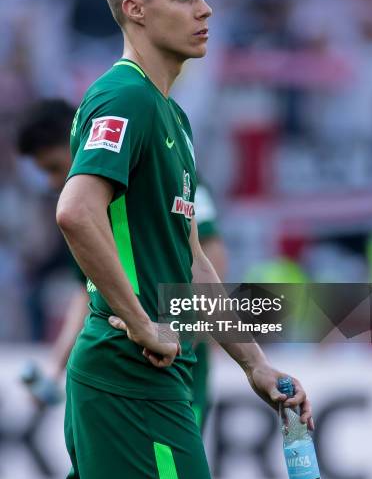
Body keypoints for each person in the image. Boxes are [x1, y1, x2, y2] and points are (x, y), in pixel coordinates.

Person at [55, 0, 313, 479]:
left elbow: (192, 260)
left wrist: (255, 364)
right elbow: (75, 210)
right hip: (134, 374)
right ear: (135, 10)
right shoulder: (127, 98)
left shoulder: (170, 114)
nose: (206, 9)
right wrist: (144, 323)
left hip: (137, 377)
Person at [17, 99, 226, 427]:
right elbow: (87, 291)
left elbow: (209, 256)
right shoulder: (85, 210)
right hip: (124, 364)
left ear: (81, 144)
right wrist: (55, 368)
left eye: (56, 167)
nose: (54, 182)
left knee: (173, 474)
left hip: (175, 364)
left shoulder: (165, 171)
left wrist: (182, 333)